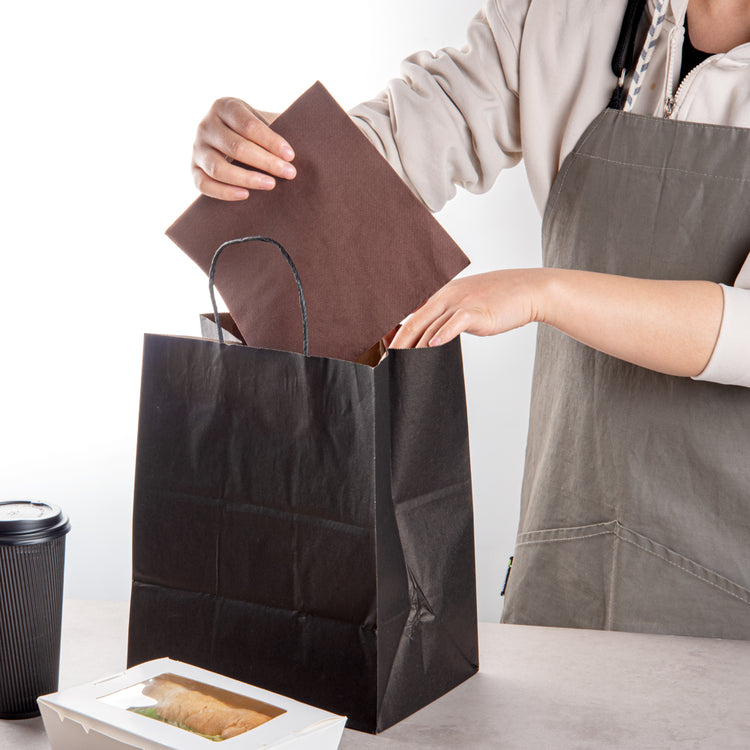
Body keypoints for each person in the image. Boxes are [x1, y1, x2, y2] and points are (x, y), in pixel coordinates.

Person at [190, 0, 750, 639]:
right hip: (569, 550)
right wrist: (271, 153)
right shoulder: (560, 12)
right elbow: (408, 139)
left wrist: (543, 292)